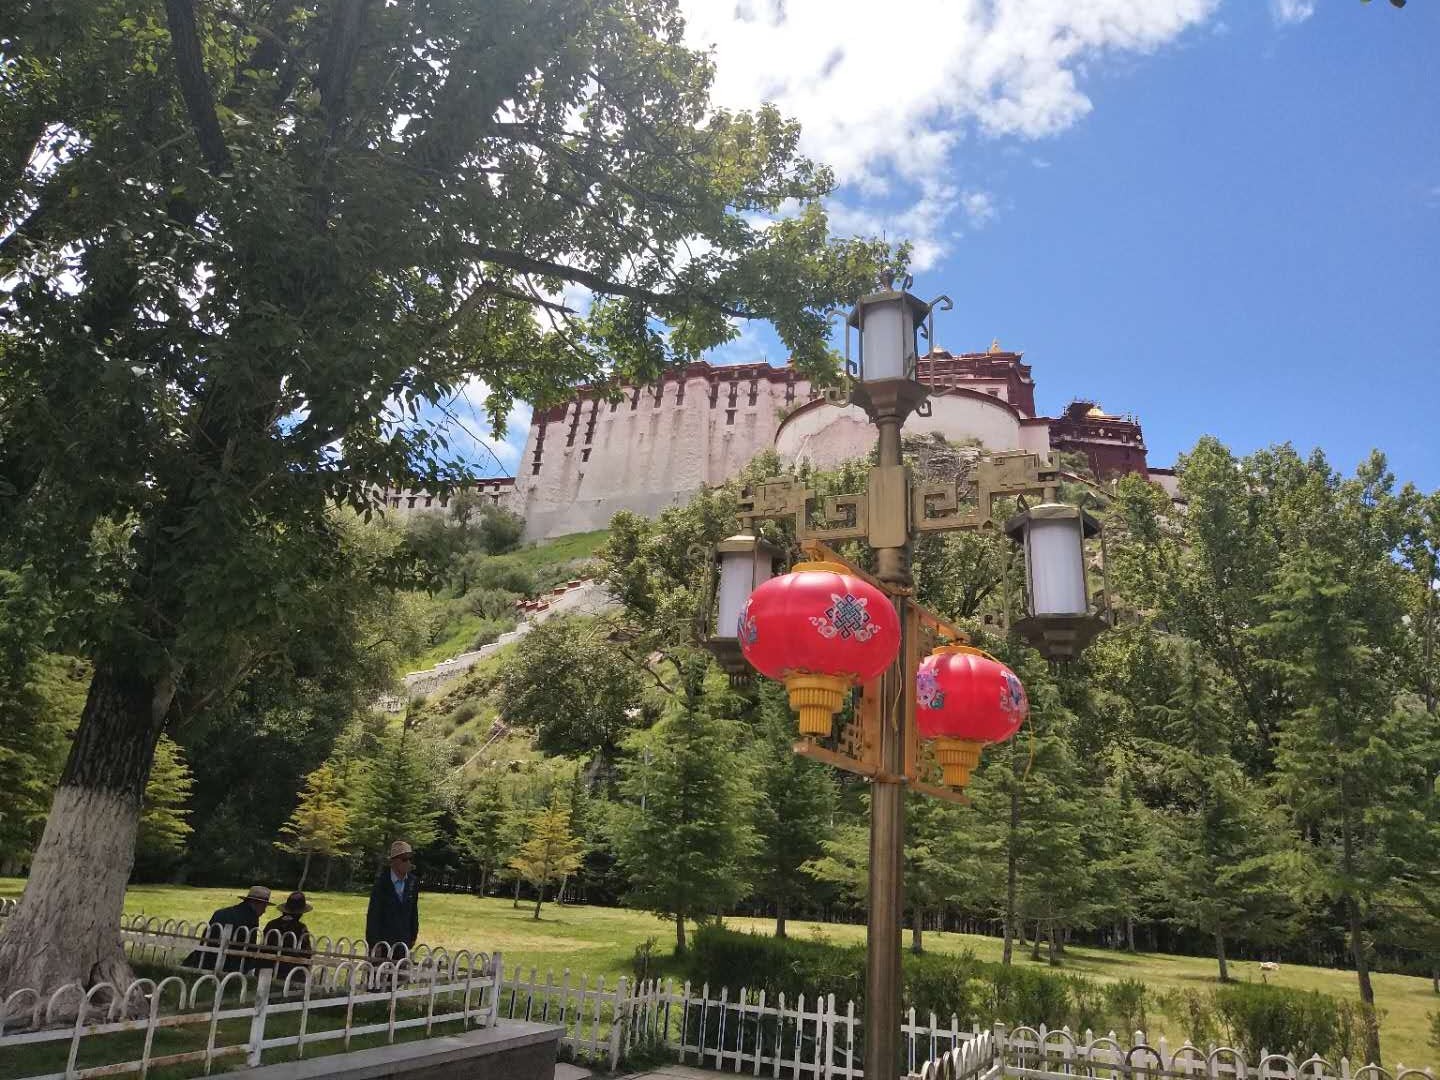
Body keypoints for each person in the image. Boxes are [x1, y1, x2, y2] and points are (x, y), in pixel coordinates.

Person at [184, 885, 273, 971]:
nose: (264, 911)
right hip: (230, 963)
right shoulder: (251, 918)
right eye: (264, 907)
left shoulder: (221, 912)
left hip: (204, 958)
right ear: (256, 904)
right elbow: (249, 948)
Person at [366, 840, 420, 959]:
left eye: (410, 859)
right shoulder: (381, 882)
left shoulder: (412, 882)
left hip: (403, 941)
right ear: (394, 861)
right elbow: (374, 914)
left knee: (400, 970)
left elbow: (413, 911)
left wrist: (413, 936)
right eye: (404, 859)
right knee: (379, 970)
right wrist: (374, 943)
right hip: (383, 942)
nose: (408, 863)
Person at [261, 892, 315, 980]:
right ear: (300, 913)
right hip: (291, 971)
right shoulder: (300, 928)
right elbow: (306, 952)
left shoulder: (271, 924)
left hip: (267, 967)